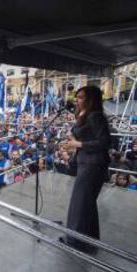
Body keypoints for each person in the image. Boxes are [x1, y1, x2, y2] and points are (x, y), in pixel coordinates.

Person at [64, 86, 111, 253]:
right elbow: (87, 136)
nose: (77, 100)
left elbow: (104, 142)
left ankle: (76, 241)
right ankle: (88, 243)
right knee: (86, 204)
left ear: (91, 99)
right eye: (76, 97)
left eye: (81, 97)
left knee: (80, 204)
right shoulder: (83, 115)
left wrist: (79, 144)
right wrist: (74, 140)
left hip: (94, 165)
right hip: (86, 162)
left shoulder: (95, 116)